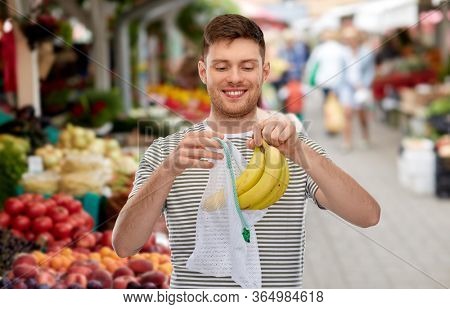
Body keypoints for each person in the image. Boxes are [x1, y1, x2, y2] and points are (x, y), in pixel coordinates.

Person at [112, 14, 380, 288]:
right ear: (204, 72)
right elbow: (124, 245)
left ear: (264, 72)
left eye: (247, 66)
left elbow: (367, 216)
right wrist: (167, 172)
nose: (235, 78)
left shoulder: (292, 148)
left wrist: (300, 150)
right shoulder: (166, 152)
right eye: (222, 67)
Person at [339, 27, 376, 150]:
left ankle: (365, 136)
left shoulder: (366, 52)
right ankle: (347, 142)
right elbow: (340, 72)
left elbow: (370, 71)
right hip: (347, 87)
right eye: (347, 39)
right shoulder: (343, 52)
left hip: (361, 87)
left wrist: (363, 85)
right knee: (347, 113)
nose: (350, 41)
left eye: (352, 38)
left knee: (361, 114)